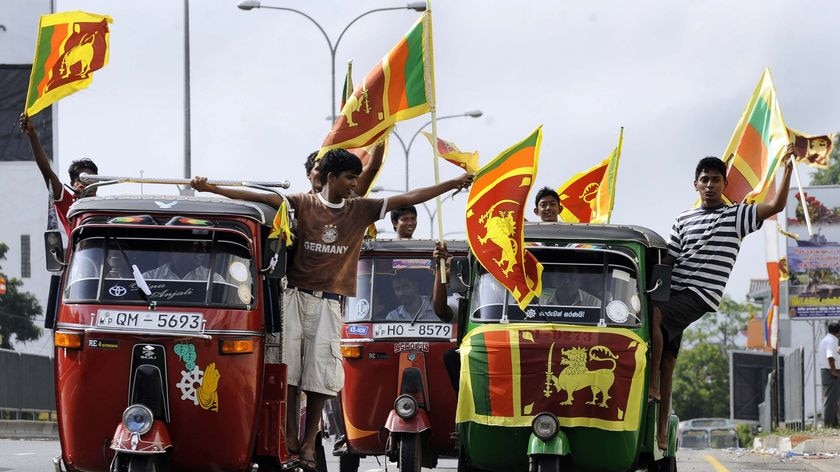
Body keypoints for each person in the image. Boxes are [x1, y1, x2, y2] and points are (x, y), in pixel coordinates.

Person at [191, 148, 472, 470]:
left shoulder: (361, 210)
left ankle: (310, 443)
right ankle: (291, 440)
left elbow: (411, 196)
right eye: (350, 177)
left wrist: (452, 183)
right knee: (291, 374)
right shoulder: (301, 203)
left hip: (330, 301)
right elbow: (260, 197)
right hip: (294, 297)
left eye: (356, 177)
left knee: (321, 378)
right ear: (330, 178)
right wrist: (211, 188)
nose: (355, 184)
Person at [649, 150, 794, 451]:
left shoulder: (737, 215)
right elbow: (670, 259)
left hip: (699, 295)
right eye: (705, 180)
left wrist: (787, 168)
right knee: (668, 361)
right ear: (696, 185)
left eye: (716, 180)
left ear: (725, 184)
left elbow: (777, 205)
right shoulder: (683, 218)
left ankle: (651, 387)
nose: (710, 185)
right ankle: (662, 432)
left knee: (654, 316)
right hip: (673, 292)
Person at [20, 113, 99, 237]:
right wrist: (32, 135)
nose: (88, 182)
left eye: (92, 178)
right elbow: (46, 170)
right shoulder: (69, 203)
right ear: (73, 184)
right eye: (83, 178)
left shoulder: (106, 206)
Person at [818, 322, 840, 428]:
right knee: (831, 400)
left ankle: (834, 423)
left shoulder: (827, 339)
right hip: (831, 373)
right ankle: (829, 424)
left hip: (828, 371)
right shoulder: (831, 341)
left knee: (833, 399)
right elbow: (830, 357)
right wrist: (834, 371)